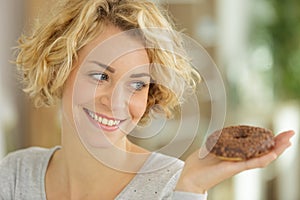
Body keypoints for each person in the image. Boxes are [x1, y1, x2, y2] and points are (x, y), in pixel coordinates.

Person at [0, 0, 294, 199]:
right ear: (60, 70)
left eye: (137, 84)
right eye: (101, 76)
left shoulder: (173, 183)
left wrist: (188, 188)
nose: (116, 102)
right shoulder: (15, 174)